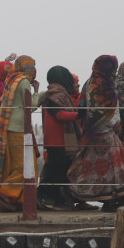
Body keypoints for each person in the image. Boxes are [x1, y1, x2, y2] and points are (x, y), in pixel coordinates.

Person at [67, 55, 124, 210]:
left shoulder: (88, 83)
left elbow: (82, 109)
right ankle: (109, 200)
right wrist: (115, 125)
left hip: (90, 133)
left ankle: (79, 193)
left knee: (90, 168)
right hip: (105, 133)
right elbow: (111, 111)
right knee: (110, 170)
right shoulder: (106, 85)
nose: (115, 72)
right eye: (113, 69)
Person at [0, 55, 39, 213]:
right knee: (26, 167)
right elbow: (31, 105)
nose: (34, 69)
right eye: (32, 66)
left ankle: (13, 201)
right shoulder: (23, 81)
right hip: (18, 129)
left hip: (8, 127)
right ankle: (5, 193)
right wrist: (39, 92)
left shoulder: (11, 78)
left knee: (11, 167)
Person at [39, 65, 80, 209]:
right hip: (57, 141)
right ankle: (54, 200)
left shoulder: (55, 94)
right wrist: (79, 114)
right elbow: (59, 115)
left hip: (58, 140)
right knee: (57, 172)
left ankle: (48, 198)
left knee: (55, 171)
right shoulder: (54, 95)